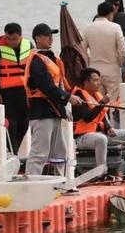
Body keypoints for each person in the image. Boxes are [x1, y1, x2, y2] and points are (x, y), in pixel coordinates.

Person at [24, 23, 83, 176]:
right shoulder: (37, 61)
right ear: (37, 38)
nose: (51, 38)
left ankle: (59, 181)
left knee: (59, 152)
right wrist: (69, 98)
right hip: (41, 111)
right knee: (40, 153)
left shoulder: (52, 58)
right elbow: (46, 87)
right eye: (47, 35)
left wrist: (64, 108)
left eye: (52, 35)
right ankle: (32, 183)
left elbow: (59, 84)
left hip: (55, 111)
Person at [0, 23, 33, 155]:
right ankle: (10, 152)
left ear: (21, 36)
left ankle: (14, 150)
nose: (11, 42)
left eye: (14, 39)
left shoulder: (28, 45)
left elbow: (34, 66)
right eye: (8, 38)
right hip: (6, 92)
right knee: (11, 124)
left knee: (24, 123)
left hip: (24, 92)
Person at [72, 67, 117, 168]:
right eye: (95, 80)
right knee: (101, 139)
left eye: (99, 80)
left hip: (99, 133)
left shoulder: (97, 96)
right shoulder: (79, 97)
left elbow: (102, 118)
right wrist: (102, 103)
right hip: (82, 137)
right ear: (86, 82)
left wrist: (108, 128)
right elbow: (88, 117)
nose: (99, 83)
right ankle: (101, 171)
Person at [82, 2, 125, 100]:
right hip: (112, 70)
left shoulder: (87, 28)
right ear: (110, 14)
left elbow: (82, 50)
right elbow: (123, 50)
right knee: (113, 101)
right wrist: (119, 63)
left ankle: (101, 115)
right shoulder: (116, 27)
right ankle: (110, 115)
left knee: (98, 100)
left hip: (94, 69)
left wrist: (89, 62)